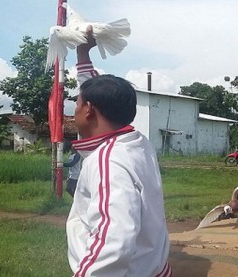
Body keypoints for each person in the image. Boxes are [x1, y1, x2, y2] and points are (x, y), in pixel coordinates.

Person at [66, 26, 171, 277]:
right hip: (153, 268)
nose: (74, 110)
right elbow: (98, 93)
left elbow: (114, 241)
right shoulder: (137, 142)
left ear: (89, 110)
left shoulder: (108, 161)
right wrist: (83, 54)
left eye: (76, 104)